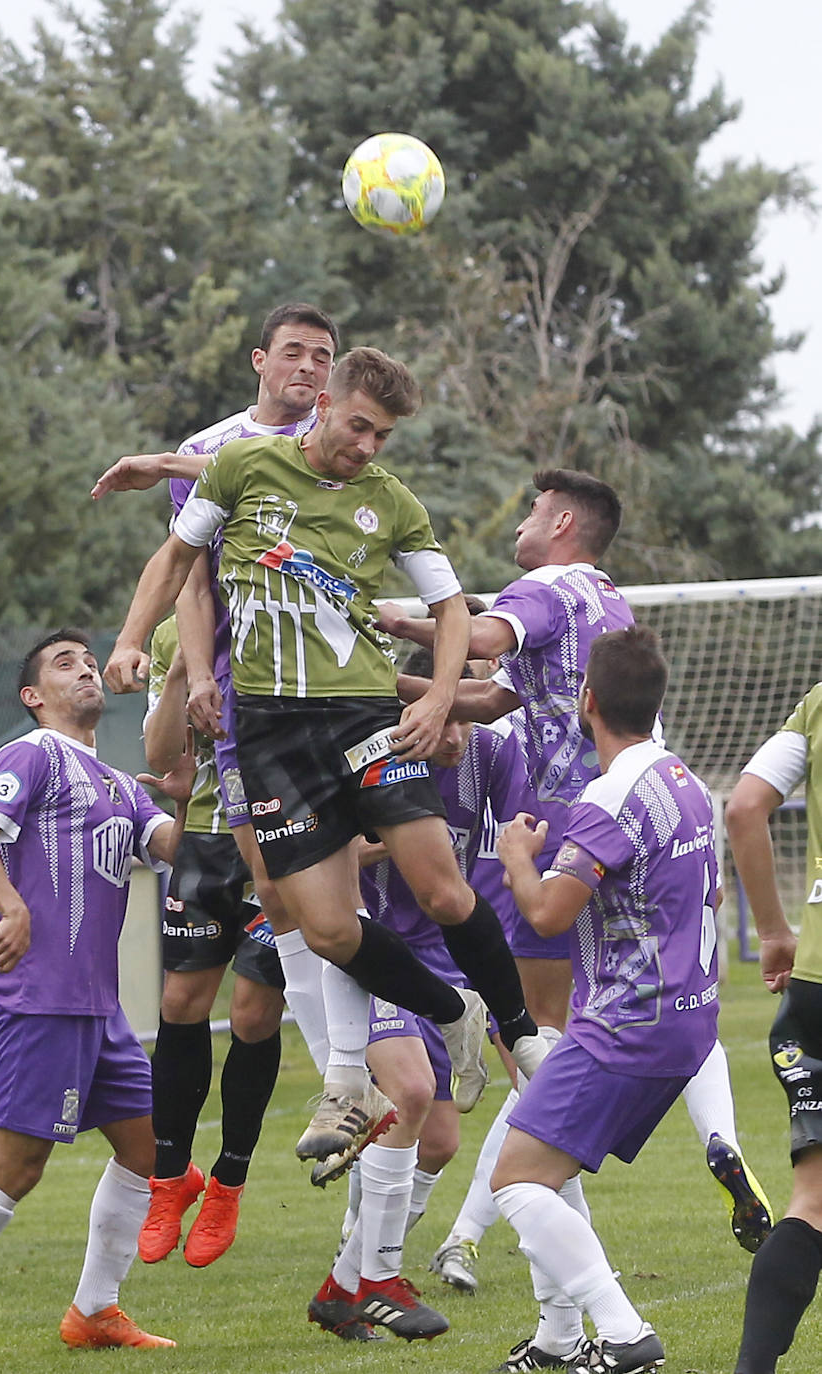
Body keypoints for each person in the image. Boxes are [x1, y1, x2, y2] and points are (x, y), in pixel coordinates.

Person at [104, 345, 548, 1169]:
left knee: (441, 888)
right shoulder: (240, 469)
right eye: (359, 427)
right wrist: (132, 640)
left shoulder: (391, 502)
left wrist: (442, 696)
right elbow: (175, 561)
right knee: (329, 929)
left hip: (363, 715)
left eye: (383, 435)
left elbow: (452, 611)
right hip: (270, 733)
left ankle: (519, 1036)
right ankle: (447, 1011)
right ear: (324, 411)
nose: (369, 446)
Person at [384, 468, 770, 1280]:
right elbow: (491, 702)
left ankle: (477, 1240)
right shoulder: (609, 602)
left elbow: (482, 643)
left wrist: (398, 620)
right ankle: (715, 1140)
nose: (521, 524)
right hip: (657, 808)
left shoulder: (546, 585)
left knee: (538, 1046)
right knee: (630, 1011)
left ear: (561, 522)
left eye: (530, 510)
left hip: (574, 821)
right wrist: (374, 688)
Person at [0, 630, 190, 1362]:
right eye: (64, 664)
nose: (85, 669)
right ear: (32, 697)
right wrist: (12, 907)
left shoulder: (118, 783)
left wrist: (200, 792)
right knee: (17, 1166)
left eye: (89, 661)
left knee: (150, 1153)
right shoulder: (33, 753)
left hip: (99, 1008)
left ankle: (94, 1311)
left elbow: (178, 845)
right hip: (40, 998)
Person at [95, 303, 346, 1177]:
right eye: (296, 353)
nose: (311, 368)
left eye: (324, 356)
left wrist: (159, 459)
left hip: (332, 687)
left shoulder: (341, 435)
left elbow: (276, 473)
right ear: (259, 360)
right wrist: (190, 672)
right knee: (241, 946)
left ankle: (419, 1038)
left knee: (326, 903)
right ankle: (186, 1167)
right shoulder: (214, 448)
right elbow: (191, 572)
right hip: (245, 706)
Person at [488, 626, 718, 1374]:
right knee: (543, 1160)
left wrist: (517, 857)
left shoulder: (609, 794)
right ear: (656, 703)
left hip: (627, 1022)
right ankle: (557, 1338)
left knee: (514, 1181)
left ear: (586, 701)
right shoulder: (684, 781)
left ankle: (622, 1335)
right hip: (685, 1019)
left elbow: (548, 914)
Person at [309, 646, 527, 1342]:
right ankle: (376, 1271)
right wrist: (387, 843)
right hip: (376, 953)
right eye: (445, 709)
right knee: (405, 1098)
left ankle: (346, 1280)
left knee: (440, 1140)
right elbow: (322, 863)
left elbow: (520, 837)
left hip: (448, 958)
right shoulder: (371, 753)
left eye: (467, 710)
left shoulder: (492, 753)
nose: (455, 730)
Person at [136, 614, 289, 1270]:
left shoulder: (286, 614)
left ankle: (228, 1182)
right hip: (203, 834)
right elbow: (160, 756)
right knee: (180, 1003)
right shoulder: (175, 631)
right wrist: (178, 673)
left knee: (254, 1014)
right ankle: (169, 1180)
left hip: (285, 835)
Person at [725, 681, 822, 1374]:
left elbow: (743, 808)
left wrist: (772, 931)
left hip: (813, 986)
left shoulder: (817, 701)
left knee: (812, 1201)